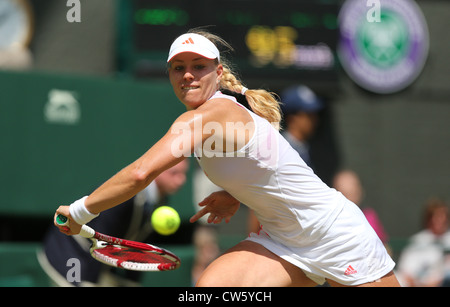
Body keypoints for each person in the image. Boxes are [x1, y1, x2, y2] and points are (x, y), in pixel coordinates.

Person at [54, 29, 399, 287]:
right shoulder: (218, 113)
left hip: (336, 235)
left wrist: (82, 211)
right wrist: (235, 194)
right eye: (178, 68)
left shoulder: (208, 116)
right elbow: (268, 165)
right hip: (282, 241)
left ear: (218, 73)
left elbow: (142, 173)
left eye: (198, 66)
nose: (187, 75)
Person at [40, 160, 188, 286]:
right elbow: (99, 240)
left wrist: (132, 283)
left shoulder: (160, 201)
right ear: (159, 170)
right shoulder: (128, 196)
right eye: (174, 173)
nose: (181, 180)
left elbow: (140, 247)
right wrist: (89, 282)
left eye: (184, 173)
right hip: (69, 255)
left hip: (96, 264)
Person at [396, 198, 450, 287]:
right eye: (436, 216)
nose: (440, 220)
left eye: (443, 216)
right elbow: (406, 272)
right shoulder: (418, 240)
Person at [332, 170, 389, 245]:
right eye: (345, 194)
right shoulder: (330, 220)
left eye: (353, 193)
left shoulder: (369, 216)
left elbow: (385, 246)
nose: (350, 200)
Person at [280, 85, 324, 169]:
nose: (315, 120)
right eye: (309, 115)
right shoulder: (283, 149)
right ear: (292, 119)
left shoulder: (303, 147)